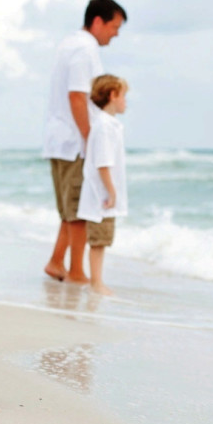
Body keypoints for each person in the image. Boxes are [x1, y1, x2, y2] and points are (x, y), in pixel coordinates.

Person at [42, 0, 127, 284]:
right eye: (115, 26)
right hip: (74, 140)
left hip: (60, 138)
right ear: (98, 21)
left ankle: (57, 262)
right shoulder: (85, 48)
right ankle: (77, 273)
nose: (116, 33)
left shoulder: (70, 43)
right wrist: (91, 140)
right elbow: (77, 96)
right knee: (78, 211)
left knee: (70, 209)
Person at [77, 74, 129, 295]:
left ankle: (97, 281)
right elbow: (103, 163)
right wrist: (111, 191)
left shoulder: (107, 125)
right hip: (101, 195)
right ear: (113, 95)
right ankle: (96, 282)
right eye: (124, 96)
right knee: (98, 240)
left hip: (102, 194)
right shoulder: (104, 126)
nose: (126, 102)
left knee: (102, 239)